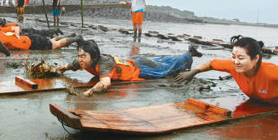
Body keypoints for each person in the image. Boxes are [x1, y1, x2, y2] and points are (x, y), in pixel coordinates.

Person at [175, 35, 278, 120]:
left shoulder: (271, 71)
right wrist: (194, 72)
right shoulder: (233, 66)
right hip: (262, 101)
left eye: (241, 58)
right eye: (233, 57)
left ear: (255, 59)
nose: (236, 61)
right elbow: (211, 63)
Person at [57, 40, 202, 97]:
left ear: (94, 57)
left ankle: (189, 54)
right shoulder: (82, 62)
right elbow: (67, 66)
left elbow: (105, 83)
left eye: (83, 56)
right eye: (79, 55)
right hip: (133, 62)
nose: (80, 59)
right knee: (162, 62)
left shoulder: (103, 64)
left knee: (168, 70)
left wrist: (89, 92)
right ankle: (181, 55)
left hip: (140, 68)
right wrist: (57, 70)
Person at [0, 19, 82, 51]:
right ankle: (71, 37)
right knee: (52, 41)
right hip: (29, 39)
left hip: (31, 42)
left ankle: (77, 38)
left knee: (56, 45)